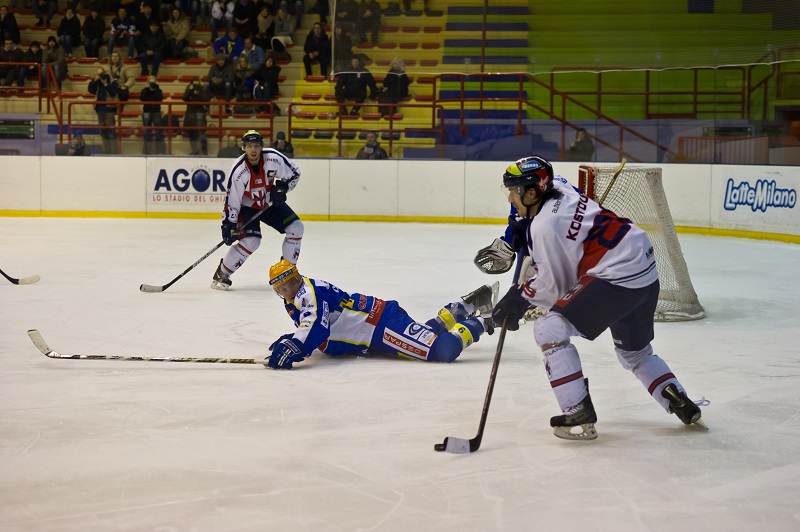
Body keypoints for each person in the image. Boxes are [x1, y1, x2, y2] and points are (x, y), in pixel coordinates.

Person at [489, 156, 706, 441]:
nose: (511, 197)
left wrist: (519, 297)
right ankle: (678, 400)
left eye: (514, 191)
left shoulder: (544, 226)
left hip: (617, 276)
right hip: (644, 267)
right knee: (636, 354)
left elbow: (555, 286)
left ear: (532, 192)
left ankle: (577, 409)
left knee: (549, 328)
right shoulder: (562, 188)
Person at [264, 259, 498, 369]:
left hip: (380, 327)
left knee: (442, 350)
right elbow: (321, 323)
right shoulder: (296, 298)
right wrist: (294, 338)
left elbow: (317, 326)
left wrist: (298, 346)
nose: (289, 291)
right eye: (281, 289)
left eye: (291, 283)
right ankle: (466, 306)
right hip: (377, 324)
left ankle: (487, 319)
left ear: (298, 277)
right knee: (424, 335)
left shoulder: (308, 293)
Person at [212, 129, 302, 290]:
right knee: (252, 241)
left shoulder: (273, 158)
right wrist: (228, 225)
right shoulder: (239, 171)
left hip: (268, 202)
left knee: (296, 228)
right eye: (249, 146)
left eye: (256, 146)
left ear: (261, 147)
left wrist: (282, 188)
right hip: (246, 207)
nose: (253, 150)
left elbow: (294, 173)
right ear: (243, 148)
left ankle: (288, 272)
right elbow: (232, 200)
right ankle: (222, 273)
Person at [88, 66, 120, 153]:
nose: (100, 76)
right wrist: (94, 80)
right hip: (99, 108)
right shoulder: (96, 83)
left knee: (111, 131)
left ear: (105, 73)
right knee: (103, 132)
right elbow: (91, 90)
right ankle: (106, 150)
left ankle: (114, 151)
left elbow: (113, 92)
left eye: (101, 74)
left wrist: (106, 84)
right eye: (98, 74)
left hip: (109, 109)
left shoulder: (113, 81)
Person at [181, 77, 209, 155]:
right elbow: (184, 98)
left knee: (201, 133)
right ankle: (194, 151)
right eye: (194, 84)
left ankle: (204, 151)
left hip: (200, 113)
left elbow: (205, 100)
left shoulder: (202, 89)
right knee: (191, 133)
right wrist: (189, 90)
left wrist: (200, 91)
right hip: (190, 113)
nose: (196, 86)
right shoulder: (189, 89)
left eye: (197, 84)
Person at [139, 74, 165, 154]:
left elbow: (160, 99)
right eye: (151, 82)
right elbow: (141, 98)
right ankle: (147, 150)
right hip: (147, 112)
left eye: (153, 82)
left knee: (159, 131)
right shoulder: (145, 90)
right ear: (147, 82)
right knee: (147, 131)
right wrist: (147, 89)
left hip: (156, 112)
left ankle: (160, 150)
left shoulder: (158, 90)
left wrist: (155, 90)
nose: (152, 84)